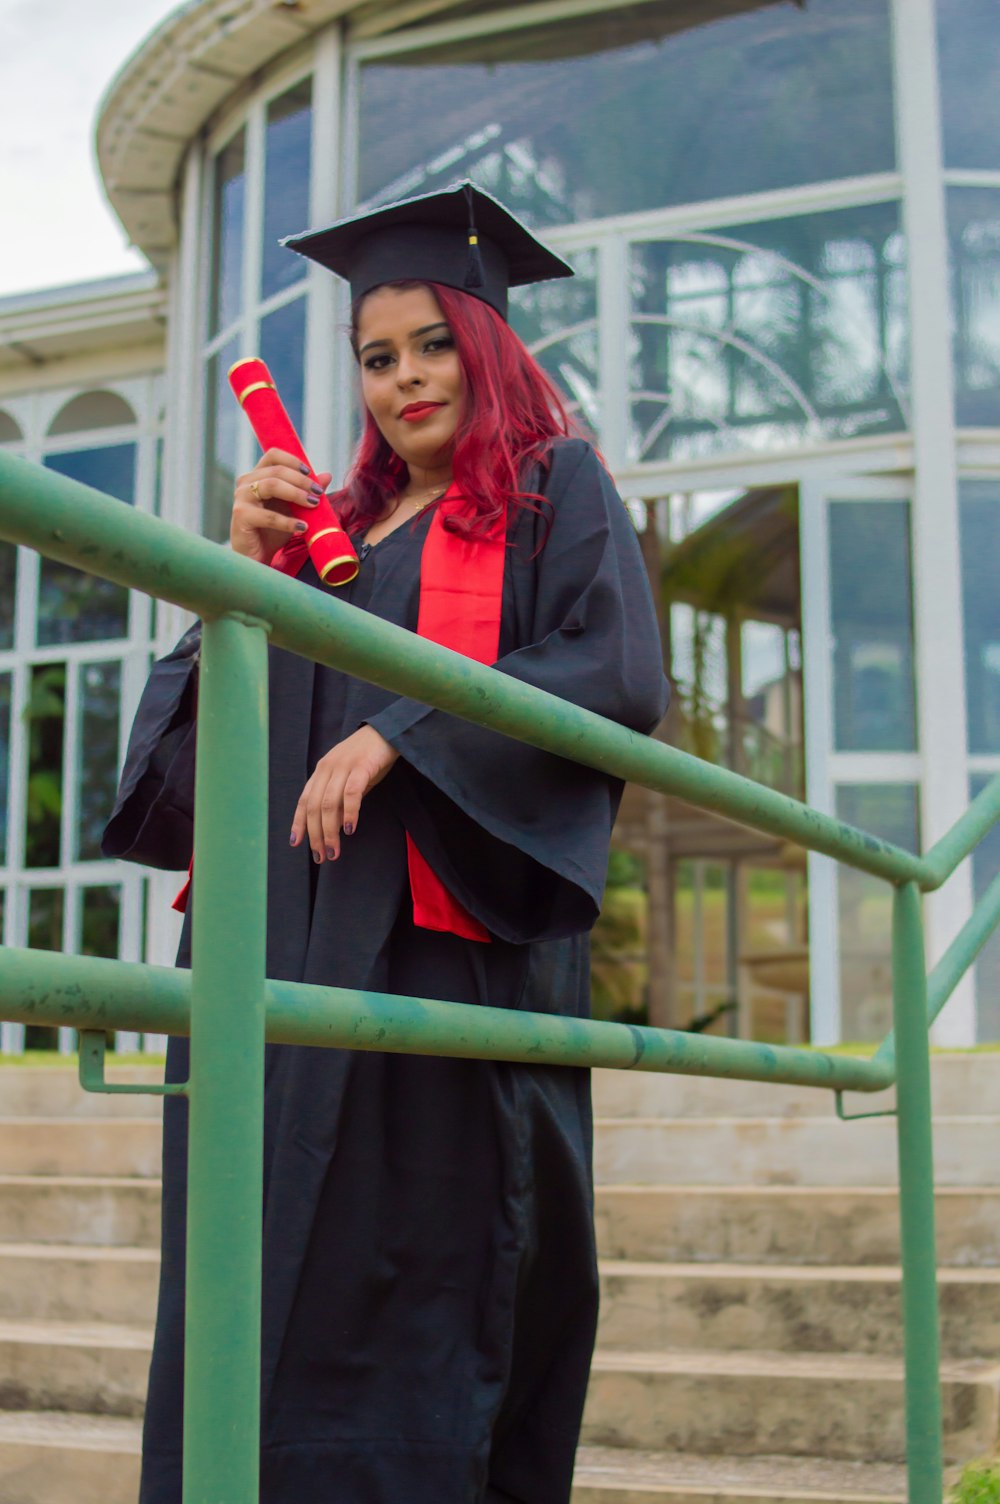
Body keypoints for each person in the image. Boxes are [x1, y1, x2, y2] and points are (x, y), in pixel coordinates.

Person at [104, 181, 670, 1504]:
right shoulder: (326, 541)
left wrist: (406, 734)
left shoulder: (551, 488)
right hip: (281, 977)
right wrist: (233, 579)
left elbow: (613, 669)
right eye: (375, 356)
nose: (403, 379)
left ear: (483, 348)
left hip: (433, 971)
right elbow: (194, 763)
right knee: (247, 1292)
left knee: (423, 1302)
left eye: (430, 346)